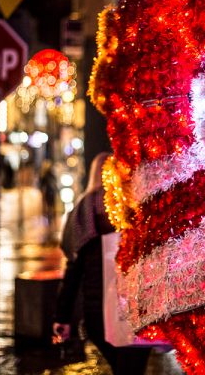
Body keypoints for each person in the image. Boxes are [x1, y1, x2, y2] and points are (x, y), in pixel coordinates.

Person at [53, 153, 151, 375]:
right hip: (131, 308)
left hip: (97, 311)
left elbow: (73, 269)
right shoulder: (130, 206)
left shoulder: (83, 210)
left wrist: (62, 316)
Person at [39, 160, 58, 234]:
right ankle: (51, 224)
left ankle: (51, 224)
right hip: (50, 193)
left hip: (49, 193)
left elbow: (42, 186)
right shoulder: (46, 175)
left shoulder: (46, 175)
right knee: (50, 209)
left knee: (50, 209)